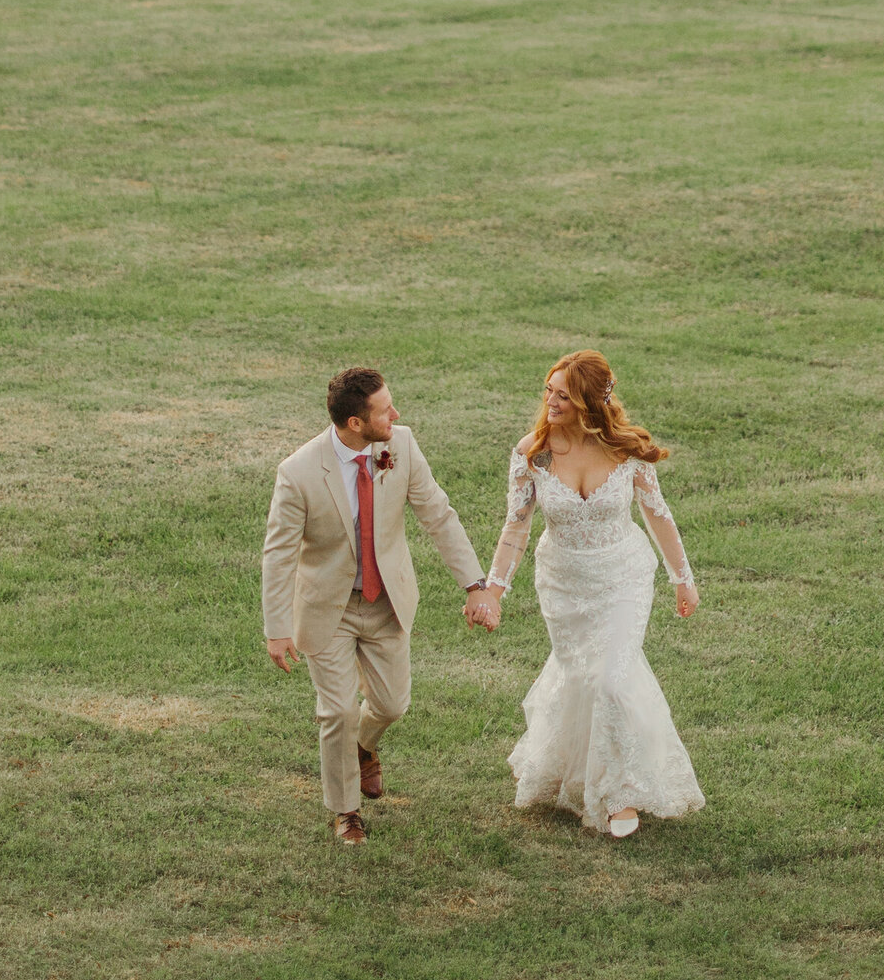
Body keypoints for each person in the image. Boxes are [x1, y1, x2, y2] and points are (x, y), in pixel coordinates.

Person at [465, 349, 704, 840]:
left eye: (563, 395)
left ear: (589, 402)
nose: (550, 401)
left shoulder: (627, 450)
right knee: (582, 677)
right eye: (548, 391)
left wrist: (683, 577)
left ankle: (619, 794)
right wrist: (494, 590)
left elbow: (658, 514)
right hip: (563, 582)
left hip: (622, 576)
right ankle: (563, 767)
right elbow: (516, 528)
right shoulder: (532, 453)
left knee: (612, 678)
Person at [261, 366, 487, 847]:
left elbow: (438, 516)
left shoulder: (400, 446)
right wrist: (277, 628)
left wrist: (474, 583)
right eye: (386, 409)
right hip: (329, 609)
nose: (397, 414)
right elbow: (278, 556)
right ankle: (346, 812)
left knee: (391, 704)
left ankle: (364, 748)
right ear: (356, 424)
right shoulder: (298, 473)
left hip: (387, 602)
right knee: (337, 711)